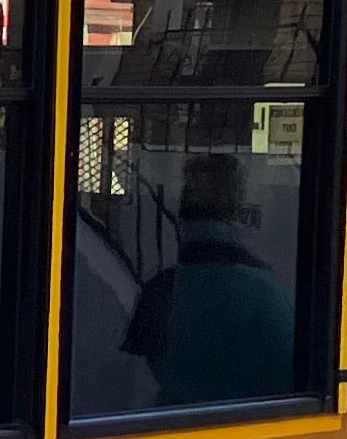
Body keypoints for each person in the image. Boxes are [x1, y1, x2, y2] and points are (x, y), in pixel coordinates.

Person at [121, 151, 296, 408]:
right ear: (243, 214)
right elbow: (290, 383)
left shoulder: (160, 290)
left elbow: (133, 383)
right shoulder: (269, 294)